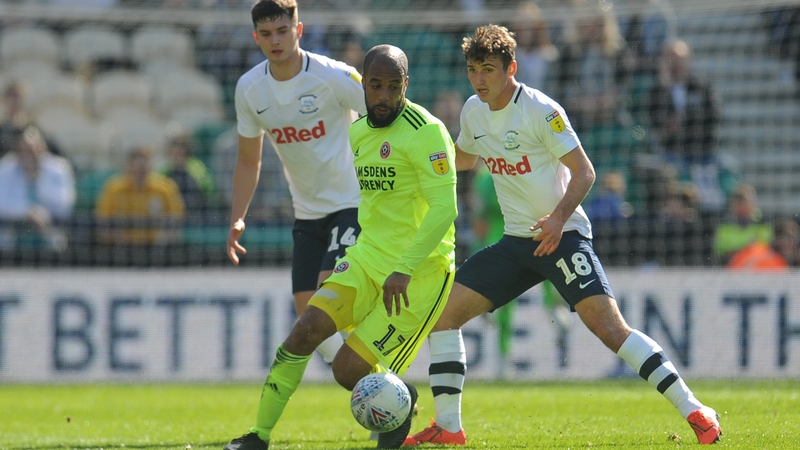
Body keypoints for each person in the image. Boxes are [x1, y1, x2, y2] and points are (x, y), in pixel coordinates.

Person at [403, 24, 721, 447]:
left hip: (562, 236)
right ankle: (449, 427)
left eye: (489, 70)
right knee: (443, 318)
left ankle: (695, 409)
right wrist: (423, 156)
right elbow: (463, 159)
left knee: (610, 329)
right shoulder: (473, 112)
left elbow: (585, 172)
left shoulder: (540, 109)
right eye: (474, 70)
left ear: (510, 68)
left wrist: (556, 220)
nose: (480, 79)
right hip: (516, 242)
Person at [223, 43, 459, 450]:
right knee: (304, 331)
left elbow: (445, 209)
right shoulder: (359, 132)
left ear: (406, 84)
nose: (383, 96)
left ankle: (401, 409)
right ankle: (258, 437)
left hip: (420, 273)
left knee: (348, 371)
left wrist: (403, 267)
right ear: (362, 85)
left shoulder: (427, 132)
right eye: (375, 86)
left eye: (392, 87)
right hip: (367, 259)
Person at [226, 0, 367, 364]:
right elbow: (247, 160)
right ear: (256, 37)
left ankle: (381, 388)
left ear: (298, 30)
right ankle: (377, 390)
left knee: (326, 296)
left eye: (283, 31)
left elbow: (385, 114)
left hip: (353, 202)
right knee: (310, 321)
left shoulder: (334, 76)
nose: (276, 40)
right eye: (267, 34)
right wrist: (238, 217)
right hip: (307, 212)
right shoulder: (250, 89)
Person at [646, 39, 727, 212]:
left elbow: (714, 115)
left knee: (730, 169)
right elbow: (657, 123)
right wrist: (664, 86)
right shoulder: (657, 91)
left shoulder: (702, 87)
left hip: (703, 152)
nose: (675, 63)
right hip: (672, 154)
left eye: (680, 58)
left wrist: (684, 119)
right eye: (670, 57)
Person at [0, 125, 75, 252]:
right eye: (22, 150)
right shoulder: (5, 168)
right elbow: (2, 203)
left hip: (50, 241)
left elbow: (65, 204)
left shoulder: (59, 168)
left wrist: (35, 177)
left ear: (42, 146)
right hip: (11, 246)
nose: (27, 154)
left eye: (31, 149)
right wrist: (27, 213)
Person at [94, 143, 185, 247]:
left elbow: (177, 220)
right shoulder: (114, 188)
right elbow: (102, 222)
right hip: (122, 248)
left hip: (156, 248)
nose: (140, 168)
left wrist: (161, 243)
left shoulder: (165, 188)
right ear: (129, 165)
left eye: (144, 161)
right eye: (136, 165)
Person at [159, 127, 216, 223]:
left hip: (196, 217)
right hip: (170, 219)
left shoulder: (196, 167)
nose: (177, 150)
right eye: (174, 146)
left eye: (181, 147)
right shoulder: (164, 170)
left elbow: (207, 191)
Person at [714, 182, 773, 266]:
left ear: (752, 203)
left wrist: (749, 249)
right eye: (739, 202)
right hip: (733, 264)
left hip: (759, 265)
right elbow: (720, 249)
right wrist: (744, 249)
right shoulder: (725, 224)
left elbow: (766, 246)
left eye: (744, 202)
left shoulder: (762, 221)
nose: (742, 206)